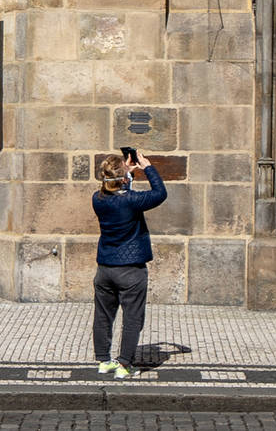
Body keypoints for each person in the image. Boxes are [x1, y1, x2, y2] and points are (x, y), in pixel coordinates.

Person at [92, 149, 165, 379]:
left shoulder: (98, 199)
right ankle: (124, 364)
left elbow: (119, 196)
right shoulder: (132, 201)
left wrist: (127, 175)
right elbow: (160, 193)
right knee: (133, 317)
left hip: (105, 269)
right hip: (131, 270)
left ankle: (104, 360)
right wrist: (148, 167)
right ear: (122, 178)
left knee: (103, 315)